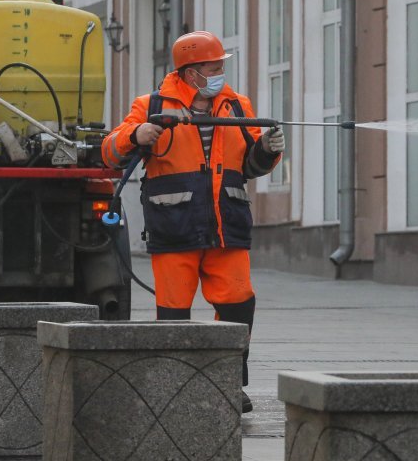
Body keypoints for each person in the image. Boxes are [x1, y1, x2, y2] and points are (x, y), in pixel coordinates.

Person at [102, 31, 283, 414]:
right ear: (191, 71)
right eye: (213, 66)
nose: (220, 72)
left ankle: (229, 384)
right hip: (174, 225)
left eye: (221, 65)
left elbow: (251, 165)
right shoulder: (150, 104)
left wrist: (267, 150)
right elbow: (111, 150)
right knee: (174, 312)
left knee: (238, 304)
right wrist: (138, 133)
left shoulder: (236, 106)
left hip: (226, 224)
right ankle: (174, 386)